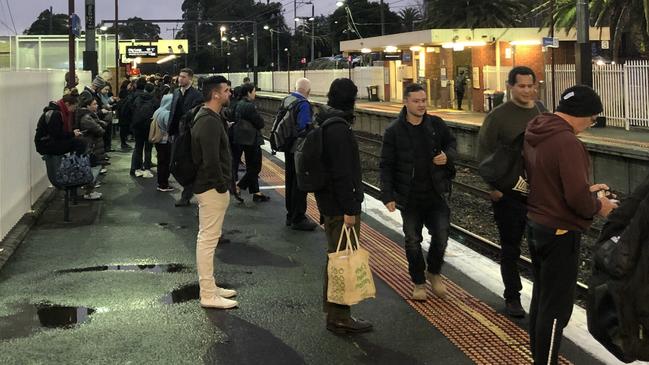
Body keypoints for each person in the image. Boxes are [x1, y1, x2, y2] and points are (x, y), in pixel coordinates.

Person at [523, 85, 618, 365]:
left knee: (541, 300)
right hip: (560, 231)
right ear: (582, 114)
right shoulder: (567, 142)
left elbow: (551, 181)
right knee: (557, 310)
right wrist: (600, 205)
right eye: (592, 118)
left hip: (537, 223)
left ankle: (539, 358)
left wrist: (586, 192)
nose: (591, 125)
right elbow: (576, 199)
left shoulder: (537, 130)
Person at [477, 66, 547, 318]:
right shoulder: (498, 117)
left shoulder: (542, 111)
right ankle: (512, 297)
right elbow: (483, 153)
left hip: (539, 196)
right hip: (509, 196)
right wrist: (493, 189)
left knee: (541, 248)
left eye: (531, 85)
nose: (527, 90)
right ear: (510, 87)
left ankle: (541, 297)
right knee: (511, 248)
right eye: (522, 86)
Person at [380, 83, 457, 301]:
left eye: (424, 100)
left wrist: (447, 156)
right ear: (406, 102)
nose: (422, 105)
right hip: (409, 196)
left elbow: (452, 143)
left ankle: (433, 272)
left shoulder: (436, 125)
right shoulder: (394, 131)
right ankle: (419, 282)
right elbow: (386, 165)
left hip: (435, 193)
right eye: (416, 101)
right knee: (413, 240)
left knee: (441, 235)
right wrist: (388, 195)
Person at [315, 78, 372, 334]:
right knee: (341, 259)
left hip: (331, 203)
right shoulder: (338, 128)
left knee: (337, 257)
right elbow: (341, 173)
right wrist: (350, 209)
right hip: (340, 207)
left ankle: (336, 314)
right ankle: (339, 317)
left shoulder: (329, 122)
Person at [191, 75, 238, 309]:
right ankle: (208, 294)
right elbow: (210, 159)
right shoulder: (209, 121)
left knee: (208, 239)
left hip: (209, 186)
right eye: (227, 90)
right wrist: (222, 185)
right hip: (211, 188)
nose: (230, 94)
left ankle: (210, 286)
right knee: (208, 240)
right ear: (216, 94)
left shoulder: (209, 117)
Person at [283, 78, 318, 231]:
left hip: (287, 146)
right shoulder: (303, 104)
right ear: (308, 92)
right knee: (300, 182)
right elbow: (305, 128)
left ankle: (290, 215)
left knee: (290, 180)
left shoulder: (287, 100)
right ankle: (299, 218)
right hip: (298, 149)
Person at [168, 68, 204, 207]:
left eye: (183, 77)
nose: (179, 79)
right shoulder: (176, 92)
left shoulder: (197, 95)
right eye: (179, 77)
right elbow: (173, 112)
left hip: (189, 134)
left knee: (188, 165)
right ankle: (189, 189)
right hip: (177, 133)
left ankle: (187, 194)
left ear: (190, 79)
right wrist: (170, 131)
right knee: (174, 165)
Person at [231, 83, 270, 202]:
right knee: (255, 167)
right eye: (253, 91)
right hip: (251, 140)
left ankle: (256, 192)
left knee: (250, 167)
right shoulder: (249, 106)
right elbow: (260, 123)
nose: (255, 93)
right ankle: (239, 186)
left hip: (241, 138)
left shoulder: (237, 104)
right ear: (248, 92)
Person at [130, 83, 159, 178]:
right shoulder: (154, 100)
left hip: (137, 127)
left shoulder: (137, 98)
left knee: (138, 147)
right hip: (148, 127)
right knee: (148, 148)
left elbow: (132, 110)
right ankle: (146, 168)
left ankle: (135, 168)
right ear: (153, 91)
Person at [153, 94, 174, 192]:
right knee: (165, 162)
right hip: (165, 140)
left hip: (158, 140)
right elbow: (169, 128)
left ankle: (160, 182)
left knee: (161, 162)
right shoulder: (167, 113)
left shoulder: (158, 110)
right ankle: (163, 184)